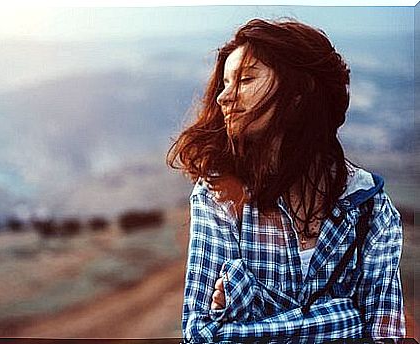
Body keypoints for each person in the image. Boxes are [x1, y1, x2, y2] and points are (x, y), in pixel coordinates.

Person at [167, 18, 405, 342]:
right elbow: (202, 335)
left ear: (298, 91)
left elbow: (385, 334)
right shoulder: (217, 195)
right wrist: (343, 317)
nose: (224, 97)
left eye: (245, 79)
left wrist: (250, 299)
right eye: (224, 83)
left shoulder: (370, 207)